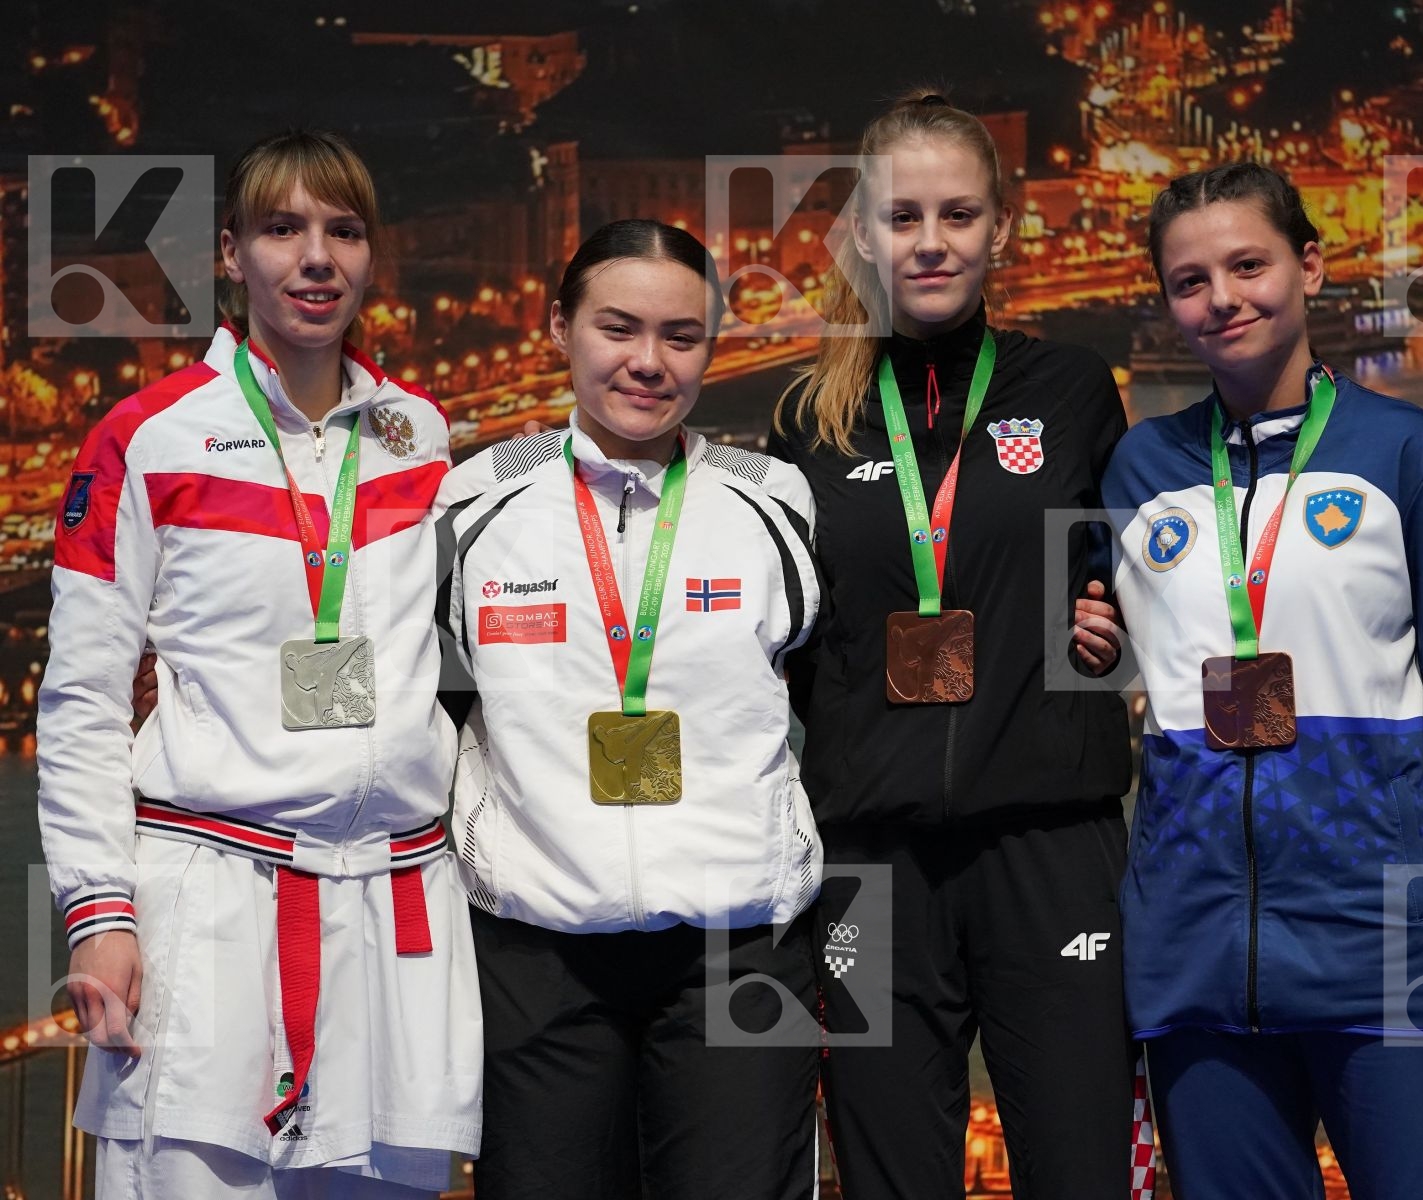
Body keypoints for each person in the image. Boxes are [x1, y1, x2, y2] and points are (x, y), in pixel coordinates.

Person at [1079, 161, 1423, 1198]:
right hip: (1193, 960)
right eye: (1189, 281)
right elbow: (1089, 652)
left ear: (1312, 266)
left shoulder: (1412, 455)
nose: (1221, 298)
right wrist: (1081, 636)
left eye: (1247, 265)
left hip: (1383, 954)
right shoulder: (1136, 470)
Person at [38, 130, 481, 1198]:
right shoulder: (146, 437)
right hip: (213, 909)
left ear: (372, 255)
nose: (316, 257)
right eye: (283, 229)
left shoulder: (418, 433)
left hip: (395, 914)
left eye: (344, 230)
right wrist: (100, 914)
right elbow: (84, 698)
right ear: (231, 253)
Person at [766, 91, 1136, 1199]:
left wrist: (1108, 642)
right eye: (903, 216)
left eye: (958, 215)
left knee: (1081, 1175)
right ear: (861, 234)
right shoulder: (806, 420)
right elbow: (777, 643)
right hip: (871, 863)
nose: (930, 242)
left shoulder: (1071, 390)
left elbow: (1135, 584)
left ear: (1000, 229)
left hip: (1049, 844)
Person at [433, 218, 824, 1200]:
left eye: (681, 336)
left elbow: (826, 691)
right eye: (618, 328)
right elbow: (434, 705)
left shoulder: (775, 501)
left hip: (738, 950)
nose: (649, 361)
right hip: (537, 952)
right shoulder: (471, 502)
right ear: (558, 327)